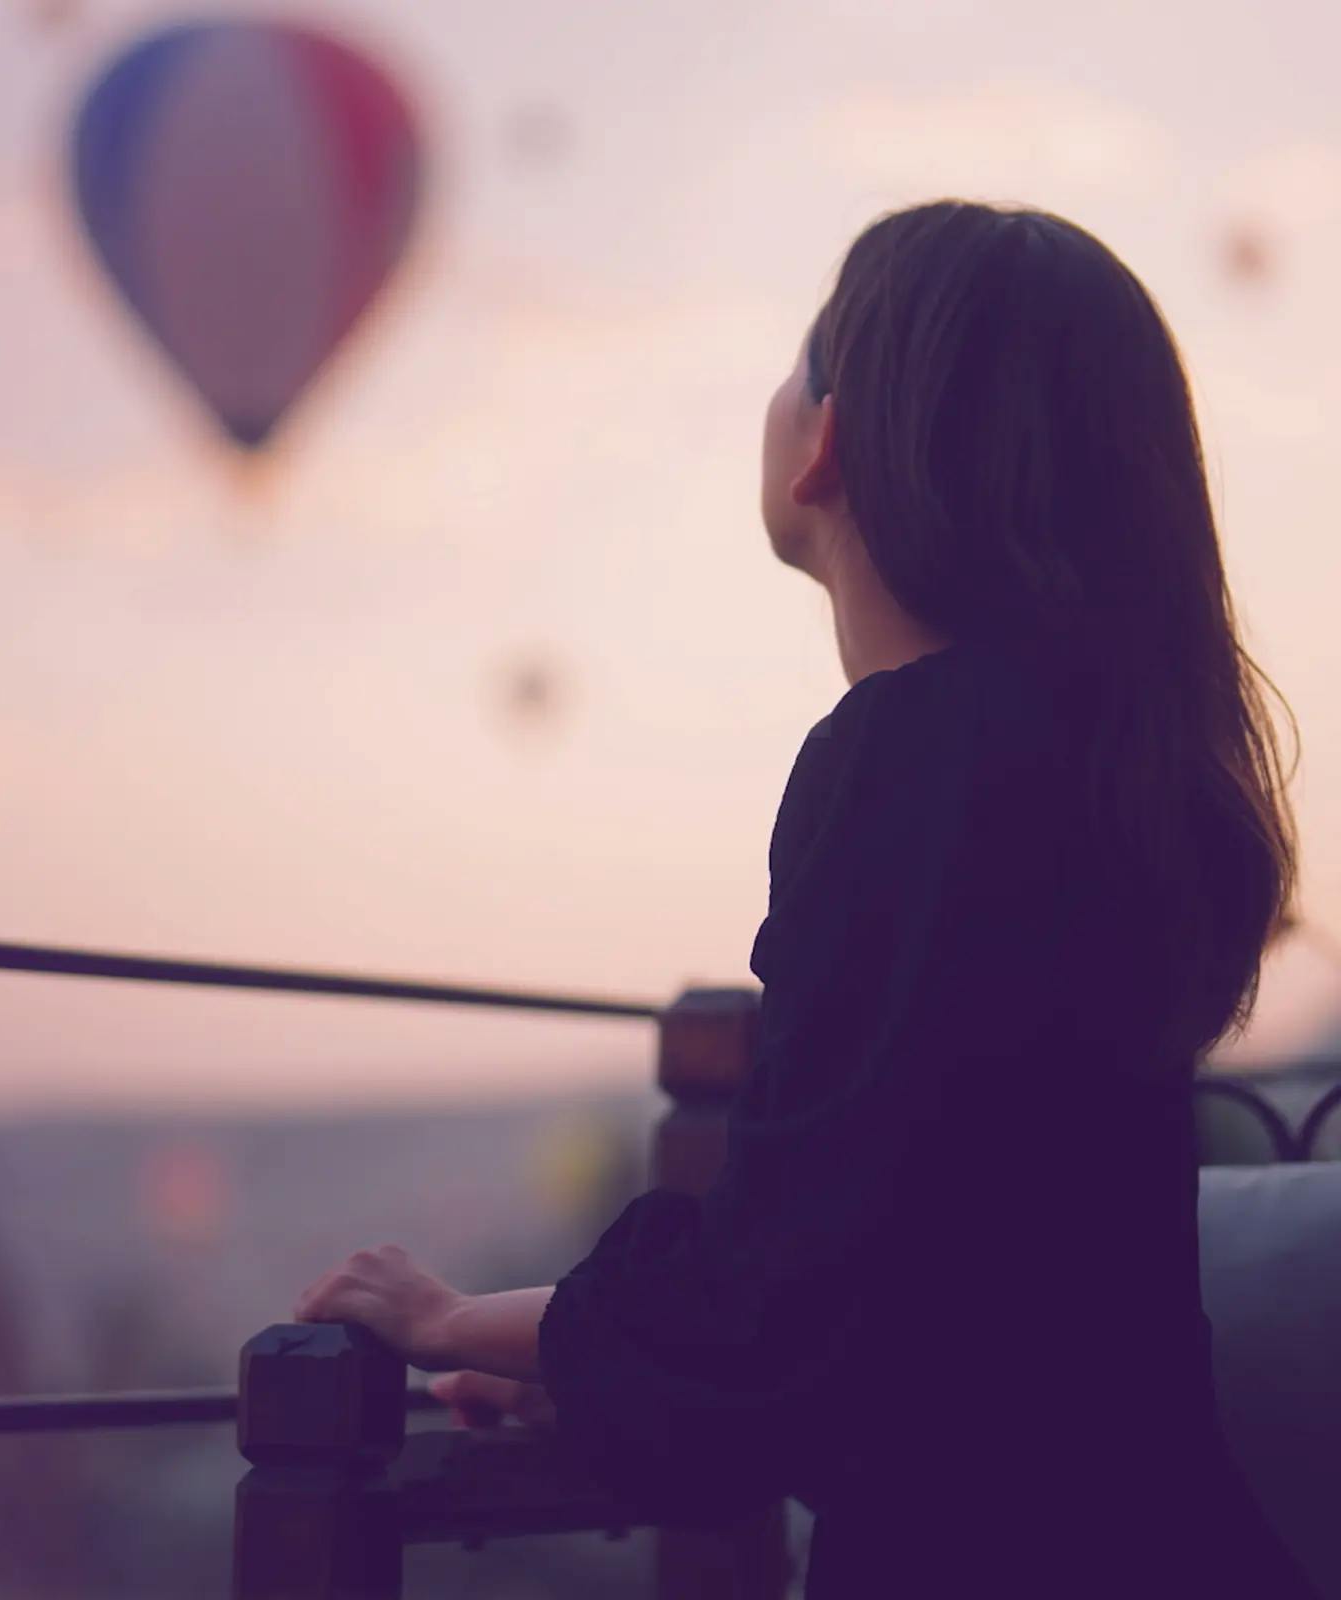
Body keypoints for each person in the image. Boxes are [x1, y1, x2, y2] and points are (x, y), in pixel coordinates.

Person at [293, 200, 1319, 1598]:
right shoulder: (1099, 774)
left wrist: (446, 1318)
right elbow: (922, 1279)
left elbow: (782, 1297)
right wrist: (586, 1363)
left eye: (797, 362)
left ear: (828, 440)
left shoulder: (915, 762)